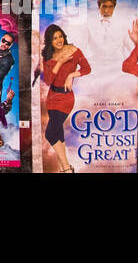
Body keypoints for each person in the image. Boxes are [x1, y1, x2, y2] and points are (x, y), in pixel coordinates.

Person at [36, 24, 90, 173]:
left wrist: (72, 75)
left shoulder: (73, 51)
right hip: (52, 97)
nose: (59, 40)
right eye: (54, 38)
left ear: (64, 36)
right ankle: (62, 168)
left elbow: (87, 68)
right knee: (58, 133)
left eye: (60, 36)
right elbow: (48, 80)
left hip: (66, 98)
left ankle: (67, 168)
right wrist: (59, 63)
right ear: (50, 41)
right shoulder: (47, 55)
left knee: (50, 134)